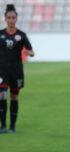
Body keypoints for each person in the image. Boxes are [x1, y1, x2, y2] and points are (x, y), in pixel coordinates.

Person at [0, 4, 34, 133]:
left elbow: (31, 51)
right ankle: (3, 126)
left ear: (16, 19)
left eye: (13, 17)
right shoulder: (0, 34)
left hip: (16, 72)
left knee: (14, 97)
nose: (11, 20)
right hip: (2, 71)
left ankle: (12, 126)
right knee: (2, 95)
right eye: (9, 17)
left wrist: (29, 53)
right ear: (5, 19)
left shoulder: (22, 35)